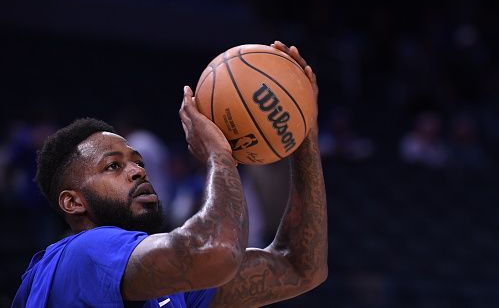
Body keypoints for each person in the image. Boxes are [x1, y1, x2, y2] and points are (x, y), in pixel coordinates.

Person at [12, 42, 328, 307]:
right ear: (73, 202)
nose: (137, 171)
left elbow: (301, 267)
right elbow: (216, 252)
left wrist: (304, 136)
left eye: (138, 162)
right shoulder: (83, 253)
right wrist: (219, 156)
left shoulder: (166, 279)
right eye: (113, 166)